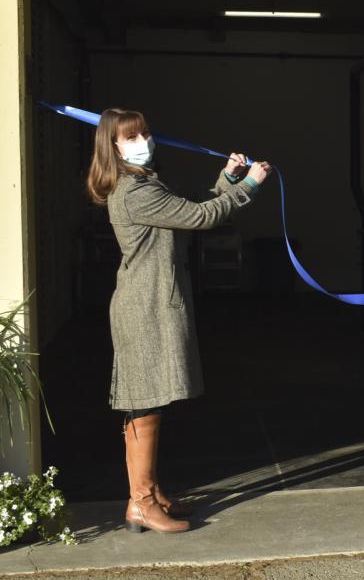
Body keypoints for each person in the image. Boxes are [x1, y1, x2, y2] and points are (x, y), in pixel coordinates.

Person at [85, 108, 270, 534]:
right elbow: (202, 217)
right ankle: (142, 502)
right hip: (144, 307)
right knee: (143, 403)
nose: (144, 141)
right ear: (113, 147)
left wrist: (227, 179)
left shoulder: (143, 185)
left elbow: (187, 212)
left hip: (147, 302)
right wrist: (249, 187)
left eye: (146, 132)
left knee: (146, 402)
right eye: (132, 137)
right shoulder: (135, 191)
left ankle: (146, 495)